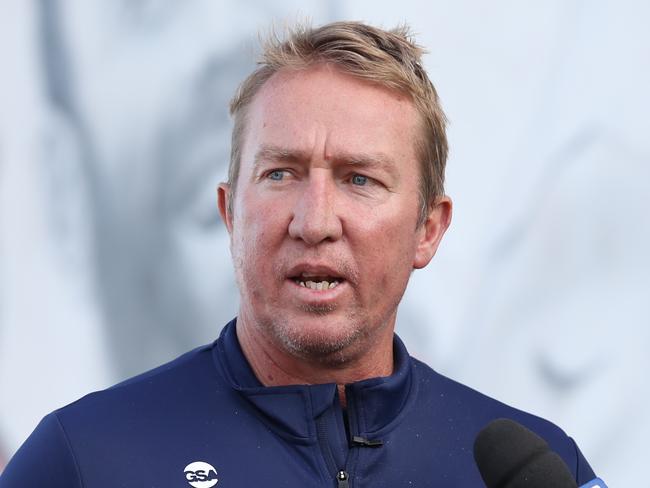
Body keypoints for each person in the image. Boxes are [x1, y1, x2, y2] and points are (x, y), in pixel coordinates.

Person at [0, 21, 598, 487]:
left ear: (428, 229)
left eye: (360, 179)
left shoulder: (535, 472)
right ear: (231, 212)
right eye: (282, 173)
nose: (314, 223)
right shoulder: (85, 459)